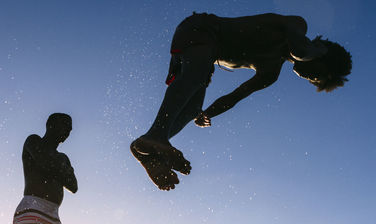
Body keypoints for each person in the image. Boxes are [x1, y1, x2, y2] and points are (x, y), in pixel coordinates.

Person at [131, 12, 352, 191]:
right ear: (323, 54)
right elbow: (301, 50)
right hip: (202, 29)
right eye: (318, 75)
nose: (310, 77)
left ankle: (149, 147)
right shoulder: (297, 25)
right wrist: (319, 48)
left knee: (191, 109)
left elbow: (234, 97)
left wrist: (207, 113)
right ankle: (156, 137)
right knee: (194, 78)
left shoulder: (271, 73)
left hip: (206, 57)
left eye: (314, 81)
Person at [12, 113, 77, 224]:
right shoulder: (33, 140)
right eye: (65, 126)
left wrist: (54, 165)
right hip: (33, 208)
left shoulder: (63, 157)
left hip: (54, 215)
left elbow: (73, 186)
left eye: (70, 129)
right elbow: (44, 163)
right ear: (50, 125)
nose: (68, 132)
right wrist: (61, 170)